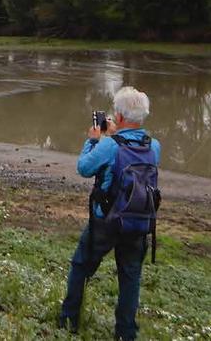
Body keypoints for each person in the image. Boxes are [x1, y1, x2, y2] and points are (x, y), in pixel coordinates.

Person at [59, 87, 162, 340]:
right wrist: (117, 135)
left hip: (106, 220)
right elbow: (132, 150)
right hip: (139, 221)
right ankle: (126, 332)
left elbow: (84, 168)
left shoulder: (109, 146)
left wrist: (94, 139)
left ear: (119, 115)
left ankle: (69, 320)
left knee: (81, 266)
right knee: (130, 277)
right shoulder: (154, 146)